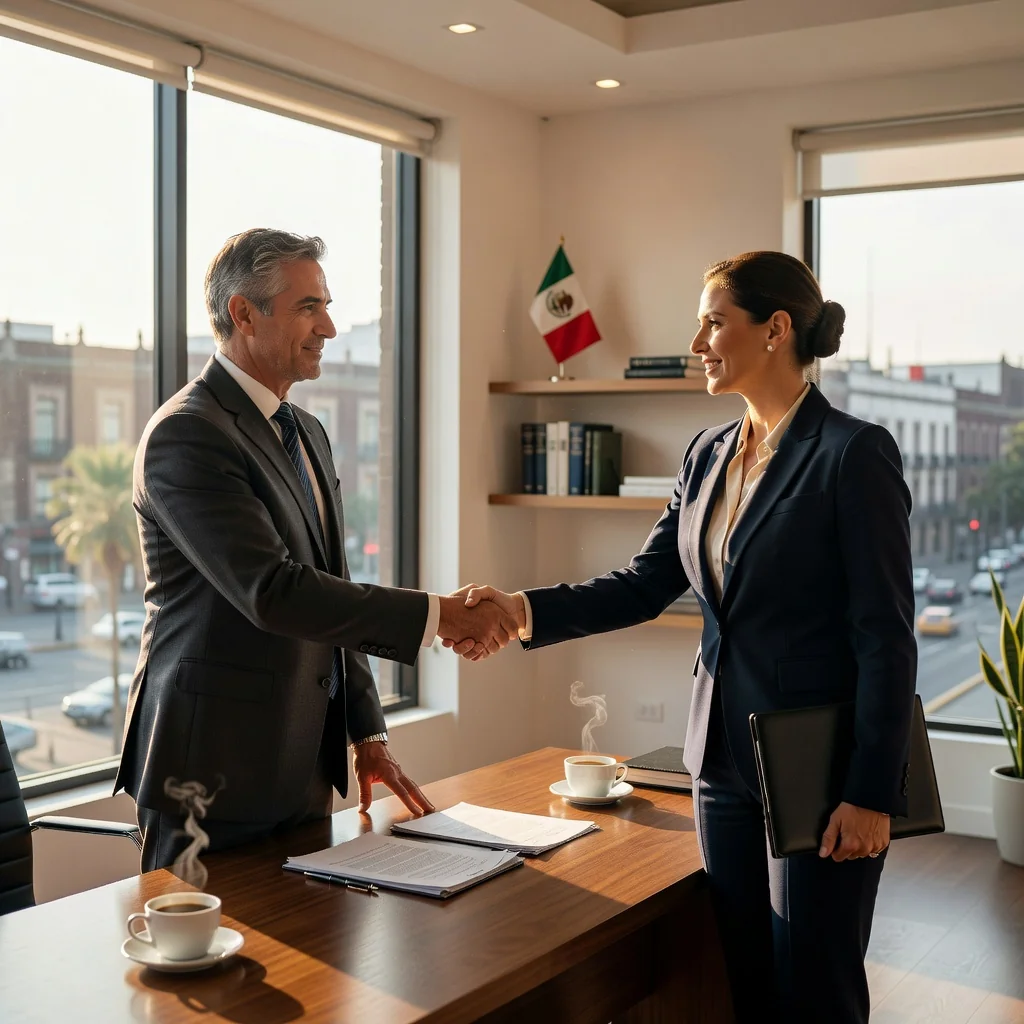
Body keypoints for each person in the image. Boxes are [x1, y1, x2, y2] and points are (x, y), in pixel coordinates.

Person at [450, 251, 916, 1023]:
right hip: (720, 764)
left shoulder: (852, 454)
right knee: (744, 981)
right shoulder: (706, 454)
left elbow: (886, 640)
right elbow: (642, 584)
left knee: (816, 989)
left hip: (815, 769)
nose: (697, 343)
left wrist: (871, 794)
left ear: (775, 329)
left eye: (713, 323)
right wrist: (518, 609)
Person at [116, 228, 516, 871]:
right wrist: (441, 615)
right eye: (308, 307)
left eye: (325, 306)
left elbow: (332, 582)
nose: (327, 327)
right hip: (208, 778)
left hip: (301, 768)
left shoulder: (306, 431)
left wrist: (368, 731)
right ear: (244, 313)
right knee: (211, 941)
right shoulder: (186, 434)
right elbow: (274, 592)